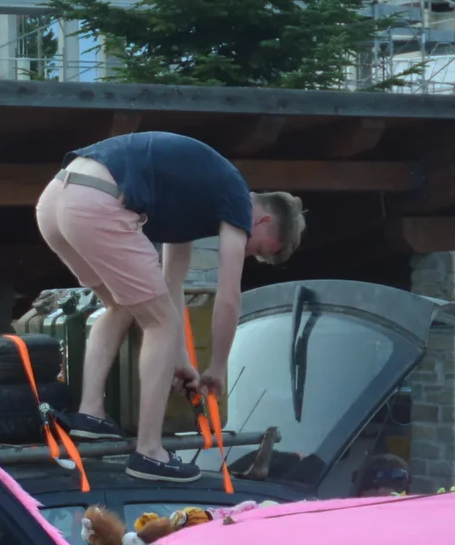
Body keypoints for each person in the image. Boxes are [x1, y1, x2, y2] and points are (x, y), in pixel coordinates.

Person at [33, 129, 302, 482]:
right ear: (264, 221)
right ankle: (149, 451)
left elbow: (169, 285)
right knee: (160, 323)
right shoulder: (236, 195)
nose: (255, 256)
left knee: (120, 305)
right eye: (264, 249)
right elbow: (229, 294)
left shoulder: (195, 197)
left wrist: (181, 360)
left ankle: (90, 414)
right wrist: (218, 367)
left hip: (55, 201)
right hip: (97, 200)